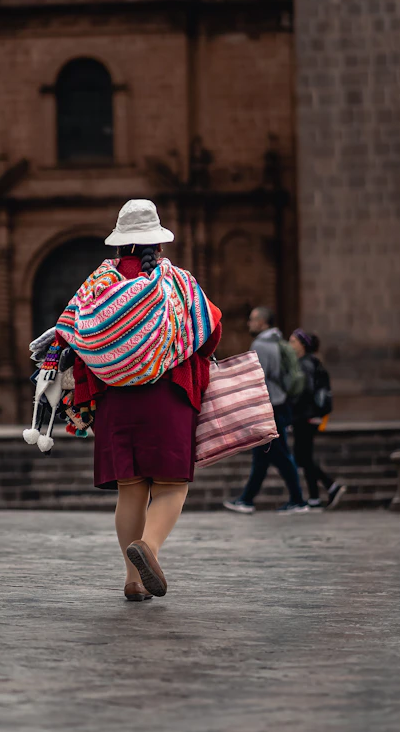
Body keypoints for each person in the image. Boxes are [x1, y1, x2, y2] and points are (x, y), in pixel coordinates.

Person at [51, 200, 222, 601]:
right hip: (169, 396)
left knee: (130, 491)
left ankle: (133, 580)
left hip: (115, 402)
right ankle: (150, 548)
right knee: (171, 486)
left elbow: (66, 334)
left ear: (118, 244)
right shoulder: (177, 281)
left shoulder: (97, 285)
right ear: (157, 242)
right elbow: (211, 329)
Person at [223, 307, 308, 514]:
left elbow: (256, 377)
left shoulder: (261, 344)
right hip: (279, 405)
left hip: (268, 407)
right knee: (263, 455)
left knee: (279, 455)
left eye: (252, 320)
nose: (248, 324)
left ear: (262, 322)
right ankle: (247, 499)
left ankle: (298, 500)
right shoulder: (278, 341)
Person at [289, 329, 346, 509]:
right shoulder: (312, 362)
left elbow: (304, 390)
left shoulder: (305, 364)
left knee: (302, 457)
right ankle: (315, 497)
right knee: (305, 457)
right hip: (309, 415)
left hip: (305, 416)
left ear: (302, 345)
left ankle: (331, 486)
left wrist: (292, 404)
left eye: (293, 341)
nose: (290, 345)